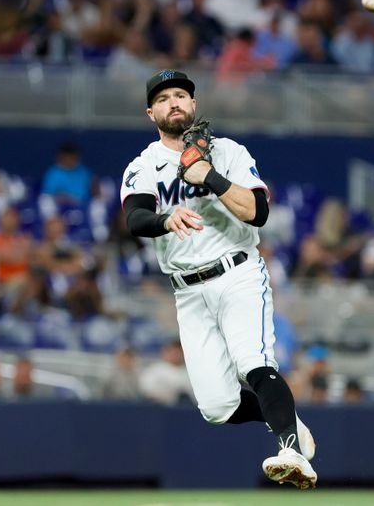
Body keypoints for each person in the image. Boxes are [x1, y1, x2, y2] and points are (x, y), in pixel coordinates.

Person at [119, 69, 316, 488]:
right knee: (217, 407)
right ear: (150, 112)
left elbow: (257, 212)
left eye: (181, 95)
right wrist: (164, 217)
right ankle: (285, 418)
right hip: (188, 291)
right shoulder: (144, 165)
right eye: (164, 97)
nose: (174, 102)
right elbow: (135, 218)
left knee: (254, 363)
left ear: (193, 105)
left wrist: (209, 175)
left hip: (237, 271)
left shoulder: (227, 152)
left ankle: (291, 452)